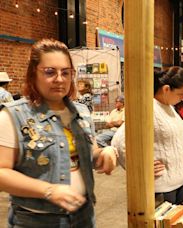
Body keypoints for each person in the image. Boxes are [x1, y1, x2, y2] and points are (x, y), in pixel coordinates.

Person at [0, 39, 117, 227]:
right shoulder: (14, 115)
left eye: (66, 72)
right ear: (33, 74)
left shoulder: (81, 112)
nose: (59, 79)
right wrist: (48, 190)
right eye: (50, 72)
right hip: (36, 221)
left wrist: (106, 153)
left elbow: (91, 154)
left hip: (84, 217)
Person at [111, 67, 183, 205]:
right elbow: (118, 141)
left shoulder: (170, 107)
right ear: (166, 89)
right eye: (181, 94)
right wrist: (140, 167)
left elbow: (171, 142)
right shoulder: (148, 108)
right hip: (162, 188)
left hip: (180, 182)